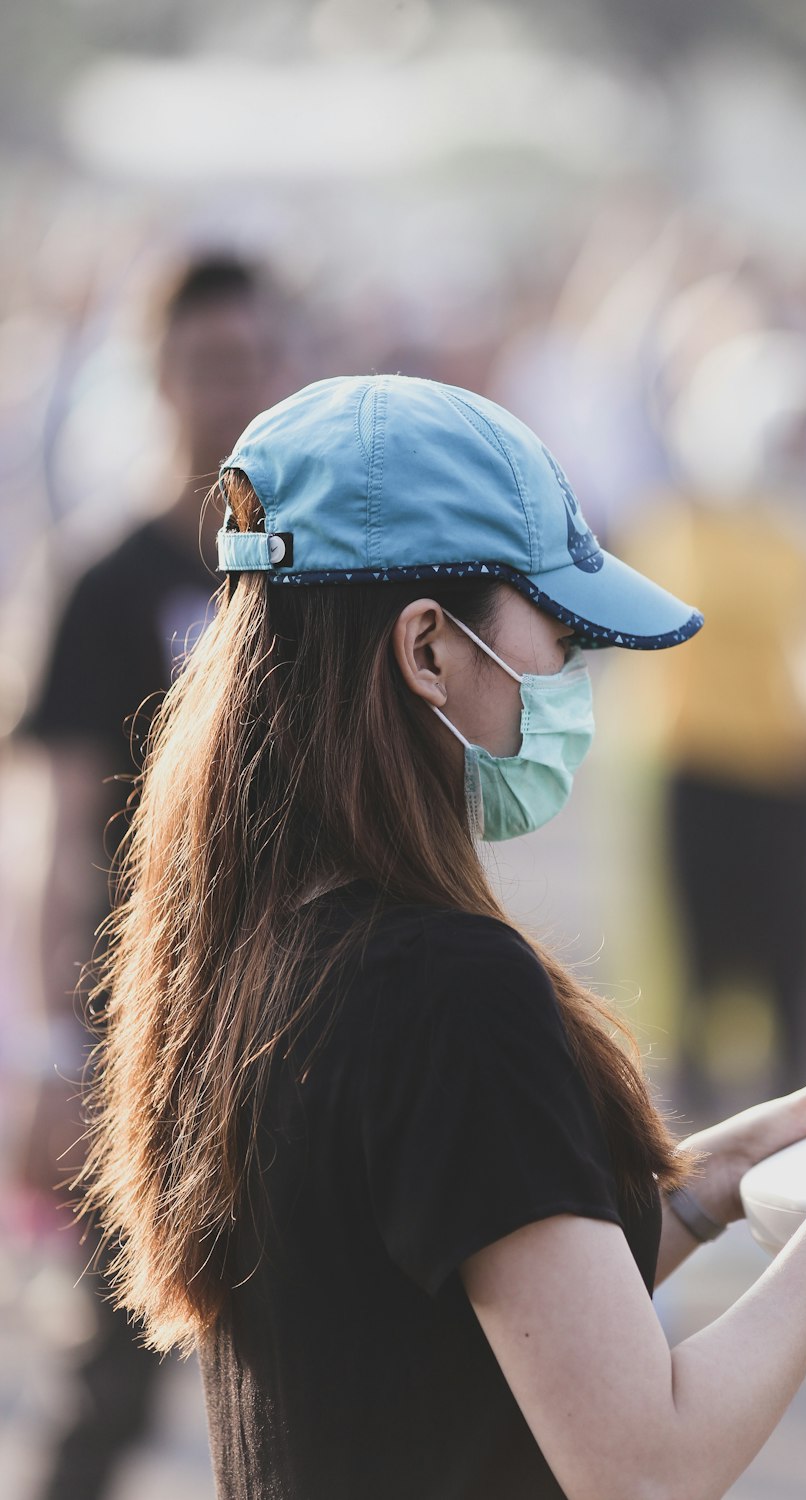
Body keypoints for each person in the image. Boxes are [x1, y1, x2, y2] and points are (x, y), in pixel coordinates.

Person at [80, 375, 806, 1500]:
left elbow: (449, 1325)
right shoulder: (447, 985)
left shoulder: (257, 941)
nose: (575, 681)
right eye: (559, 636)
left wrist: (711, 1184)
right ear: (426, 648)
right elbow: (645, 1463)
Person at [20, 252, 290, 1500]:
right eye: (206, 365)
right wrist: (43, 1050)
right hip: (145, 1034)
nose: (230, 391)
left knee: (317, 1380)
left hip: (298, 1021)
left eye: (251, 362)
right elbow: (62, 825)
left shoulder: (305, 579)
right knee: (111, 1377)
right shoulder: (104, 576)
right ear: (160, 376)